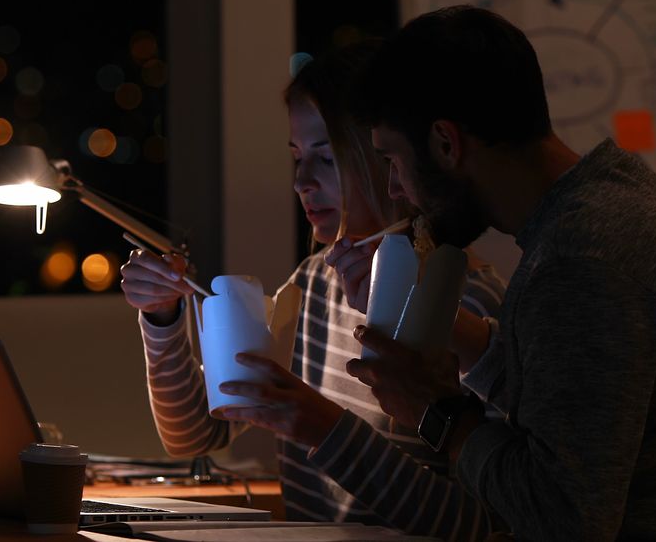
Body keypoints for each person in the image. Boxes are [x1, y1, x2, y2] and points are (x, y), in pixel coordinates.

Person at [326, 5, 656, 539]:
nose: (395, 189)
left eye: (393, 161)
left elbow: (561, 519)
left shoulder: (581, 259)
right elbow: (584, 405)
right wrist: (444, 327)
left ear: (446, 143)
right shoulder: (623, 206)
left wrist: (435, 411)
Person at [119, 41, 507, 538]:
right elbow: (197, 431)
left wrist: (322, 427)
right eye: (297, 157)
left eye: (325, 159)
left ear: (388, 159)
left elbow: (483, 529)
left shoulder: (467, 309)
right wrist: (162, 318)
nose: (301, 181)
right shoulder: (314, 281)